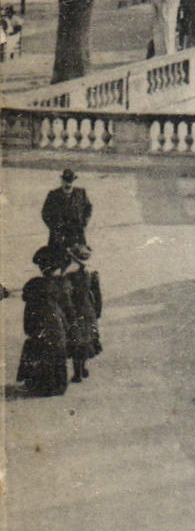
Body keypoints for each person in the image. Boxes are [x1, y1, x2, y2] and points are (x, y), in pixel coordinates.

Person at [17, 246, 71, 397]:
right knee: (57, 351)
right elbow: (67, 306)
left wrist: (29, 326)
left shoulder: (34, 284)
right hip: (57, 321)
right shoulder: (62, 283)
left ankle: (40, 384)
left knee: (40, 349)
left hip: (39, 321)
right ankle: (58, 385)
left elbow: (27, 301)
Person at [62, 245, 102, 383]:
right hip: (88, 309)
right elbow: (97, 294)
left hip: (74, 310)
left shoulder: (68, 276)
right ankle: (83, 367)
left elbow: (65, 294)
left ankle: (77, 372)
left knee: (75, 340)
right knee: (86, 339)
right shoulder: (92, 274)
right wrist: (97, 310)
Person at [42, 168, 92, 252]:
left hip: (77, 233)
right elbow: (45, 213)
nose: (68, 184)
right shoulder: (53, 195)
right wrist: (54, 227)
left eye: (70, 182)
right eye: (65, 181)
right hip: (59, 234)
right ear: (61, 181)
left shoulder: (81, 193)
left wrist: (84, 222)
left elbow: (88, 207)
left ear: (73, 182)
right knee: (57, 257)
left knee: (80, 256)